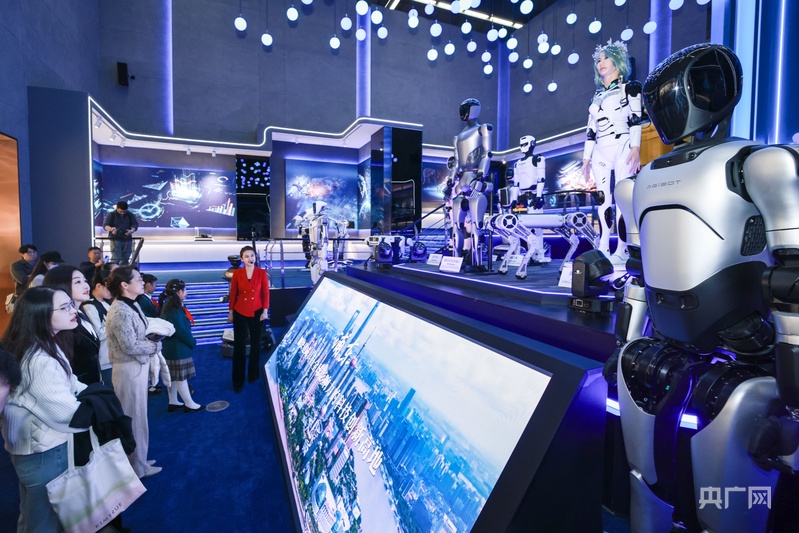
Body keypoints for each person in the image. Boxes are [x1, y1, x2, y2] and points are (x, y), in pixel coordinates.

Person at [1, 286, 90, 532]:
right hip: (44, 451)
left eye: (70, 304)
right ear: (40, 315)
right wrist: (100, 408)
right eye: (65, 307)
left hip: (31, 447)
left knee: (33, 515)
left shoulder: (40, 343)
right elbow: (69, 416)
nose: (73, 310)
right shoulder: (39, 359)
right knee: (45, 521)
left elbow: (69, 381)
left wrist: (89, 393)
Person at [580, 39, 643, 266]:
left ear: (617, 61)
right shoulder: (596, 96)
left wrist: (636, 148)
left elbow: (636, 119)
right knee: (603, 200)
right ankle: (604, 245)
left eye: (606, 58)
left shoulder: (630, 88)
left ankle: (623, 249)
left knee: (622, 198)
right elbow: (590, 131)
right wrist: (586, 160)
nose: (601, 63)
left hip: (622, 144)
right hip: (600, 150)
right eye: (598, 59)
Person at [105, 266, 161, 478]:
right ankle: (137, 467)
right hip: (128, 369)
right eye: (138, 279)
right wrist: (154, 346)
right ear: (124, 285)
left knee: (139, 416)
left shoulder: (132, 304)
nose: (142, 282)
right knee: (133, 418)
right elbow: (129, 346)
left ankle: (141, 459)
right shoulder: (120, 311)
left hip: (137, 365)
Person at [451, 98, 493, 270]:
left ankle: (477, 261)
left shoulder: (483, 129)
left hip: (475, 177)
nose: (463, 112)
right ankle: (456, 260)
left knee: (476, 224)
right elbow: (456, 162)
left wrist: (481, 175)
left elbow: (487, 154)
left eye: (466, 108)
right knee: (457, 225)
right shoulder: (458, 137)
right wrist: (450, 180)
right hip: (463, 179)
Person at [43, 265, 102, 386]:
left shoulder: (80, 313)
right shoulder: (60, 323)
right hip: (75, 388)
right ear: (61, 285)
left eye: (85, 281)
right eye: (78, 282)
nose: (86, 286)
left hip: (92, 384)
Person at [227, 245, 269, 392]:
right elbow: (233, 293)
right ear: (242, 259)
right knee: (239, 347)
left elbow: (266, 293)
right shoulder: (237, 274)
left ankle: (253, 374)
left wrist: (265, 310)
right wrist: (231, 312)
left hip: (257, 311)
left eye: (252, 255)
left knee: (256, 345)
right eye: (247, 256)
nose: (250, 258)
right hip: (240, 311)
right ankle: (238, 380)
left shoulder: (262, 273)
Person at [159, 279, 204, 412]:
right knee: (180, 378)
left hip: (171, 347)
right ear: (179, 292)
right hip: (178, 348)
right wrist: (192, 342)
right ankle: (189, 404)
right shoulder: (174, 309)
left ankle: (173, 400)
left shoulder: (168, 305)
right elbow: (181, 331)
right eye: (185, 290)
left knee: (172, 377)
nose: (186, 293)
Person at [82, 270, 113, 385]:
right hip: (104, 359)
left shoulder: (105, 303)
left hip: (111, 357)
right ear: (99, 286)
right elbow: (98, 334)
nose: (112, 291)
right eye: (109, 288)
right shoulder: (89, 306)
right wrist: (118, 328)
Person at [103, 201, 139, 266]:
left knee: (126, 257)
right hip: (115, 238)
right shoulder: (111, 214)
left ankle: (124, 270)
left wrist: (132, 230)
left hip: (127, 238)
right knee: (116, 257)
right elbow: (105, 225)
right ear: (117, 208)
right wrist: (111, 229)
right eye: (120, 211)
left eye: (124, 212)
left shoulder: (130, 214)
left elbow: (135, 224)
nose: (122, 213)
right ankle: (114, 270)